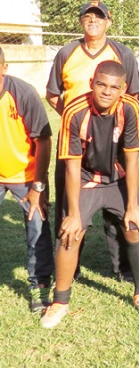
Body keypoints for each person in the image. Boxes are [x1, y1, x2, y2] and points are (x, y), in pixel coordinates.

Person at [41, 61, 139, 329]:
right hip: (84, 179)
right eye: (101, 84)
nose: (106, 91)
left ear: (123, 88)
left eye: (114, 87)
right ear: (92, 81)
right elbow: (71, 166)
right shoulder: (75, 111)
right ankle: (60, 301)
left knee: (135, 226)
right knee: (71, 232)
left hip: (117, 179)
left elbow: (131, 158)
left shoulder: (131, 108)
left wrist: (133, 205)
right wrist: (72, 214)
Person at [46, 0, 139, 283]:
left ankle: (122, 267)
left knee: (117, 204)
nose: (93, 21)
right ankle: (69, 269)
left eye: (99, 17)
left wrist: (113, 122)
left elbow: (134, 95)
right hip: (75, 139)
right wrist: (76, 121)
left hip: (111, 136)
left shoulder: (122, 53)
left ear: (108, 22)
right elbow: (53, 94)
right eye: (88, 16)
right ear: (80, 21)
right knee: (69, 202)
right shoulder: (66, 52)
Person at [0, 47, 54, 312]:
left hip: (26, 175)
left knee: (37, 229)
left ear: (4, 68)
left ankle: (39, 285)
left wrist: (38, 186)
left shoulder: (22, 93)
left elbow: (43, 141)